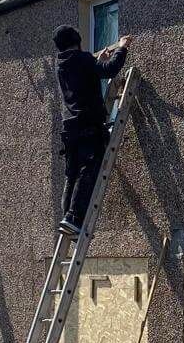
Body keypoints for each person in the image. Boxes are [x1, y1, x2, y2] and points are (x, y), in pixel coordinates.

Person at [53, 24, 131, 235]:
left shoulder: (62, 65)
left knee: (72, 175)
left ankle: (67, 219)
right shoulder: (83, 59)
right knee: (88, 169)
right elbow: (110, 70)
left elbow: (85, 78)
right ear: (77, 42)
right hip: (88, 124)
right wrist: (122, 48)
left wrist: (97, 62)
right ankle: (74, 217)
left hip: (70, 127)